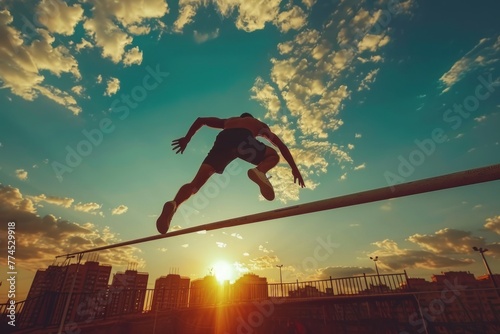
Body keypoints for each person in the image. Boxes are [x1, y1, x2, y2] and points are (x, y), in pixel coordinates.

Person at [156, 113, 305, 234]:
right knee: (273, 155)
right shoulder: (259, 125)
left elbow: (201, 120)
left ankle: (174, 203)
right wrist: (294, 168)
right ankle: (260, 171)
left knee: (194, 185)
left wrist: (187, 138)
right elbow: (280, 145)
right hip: (242, 140)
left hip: (223, 140)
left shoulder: (229, 121)